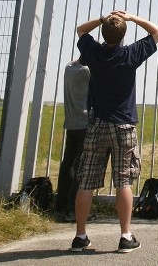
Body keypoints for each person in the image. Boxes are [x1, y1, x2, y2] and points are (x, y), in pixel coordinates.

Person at [70, 11, 158, 253]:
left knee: (87, 181)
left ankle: (80, 236)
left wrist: (102, 20)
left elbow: (81, 30)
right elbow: (157, 32)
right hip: (123, 125)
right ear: (123, 35)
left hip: (97, 123)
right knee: (123, 181)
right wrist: (133, 18)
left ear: (103, 33)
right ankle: (125, 236)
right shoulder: (130, 54)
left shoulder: (94, 53)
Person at [54, 58, 90, 223]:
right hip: (84, 123)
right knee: (80, 167)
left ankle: (60, 204)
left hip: (71, 123)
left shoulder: (69, 68)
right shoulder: (86, 72)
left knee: (68, 163)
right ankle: (73, 209)